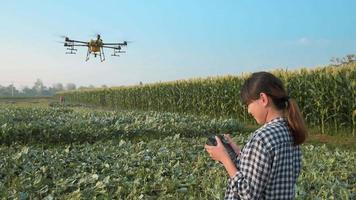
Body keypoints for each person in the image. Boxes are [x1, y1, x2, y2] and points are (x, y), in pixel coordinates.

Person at [205, 71, 307, 199]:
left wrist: (225, 159)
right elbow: (271, 173)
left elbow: (248, 194)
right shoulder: (290, 131)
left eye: (249, 104)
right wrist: (239, 154)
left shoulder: (262, 137)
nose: (248, 110)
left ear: (263, 99)